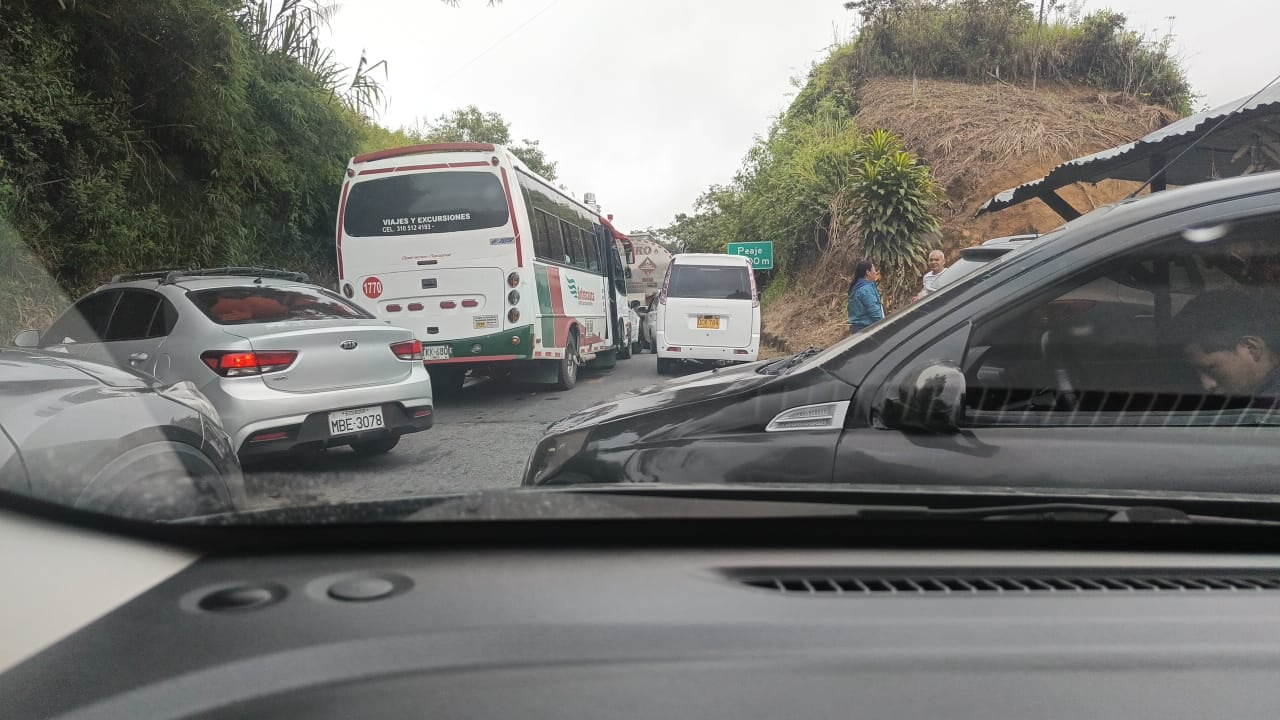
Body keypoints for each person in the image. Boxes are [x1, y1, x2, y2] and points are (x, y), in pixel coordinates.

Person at [1171, 288, 1280, 397]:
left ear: (1251, 348)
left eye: (1211, 370)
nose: (1207, 385)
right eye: (1197, 374)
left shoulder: (1269, 406)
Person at [847, 260, 885, 334]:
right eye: (874, 270)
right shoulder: (865, 290)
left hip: (858, 329)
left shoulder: (858, 286)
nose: (876, 272)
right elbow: (874, 312)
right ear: (868, 272)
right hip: (867, 330)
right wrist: (884, 325)